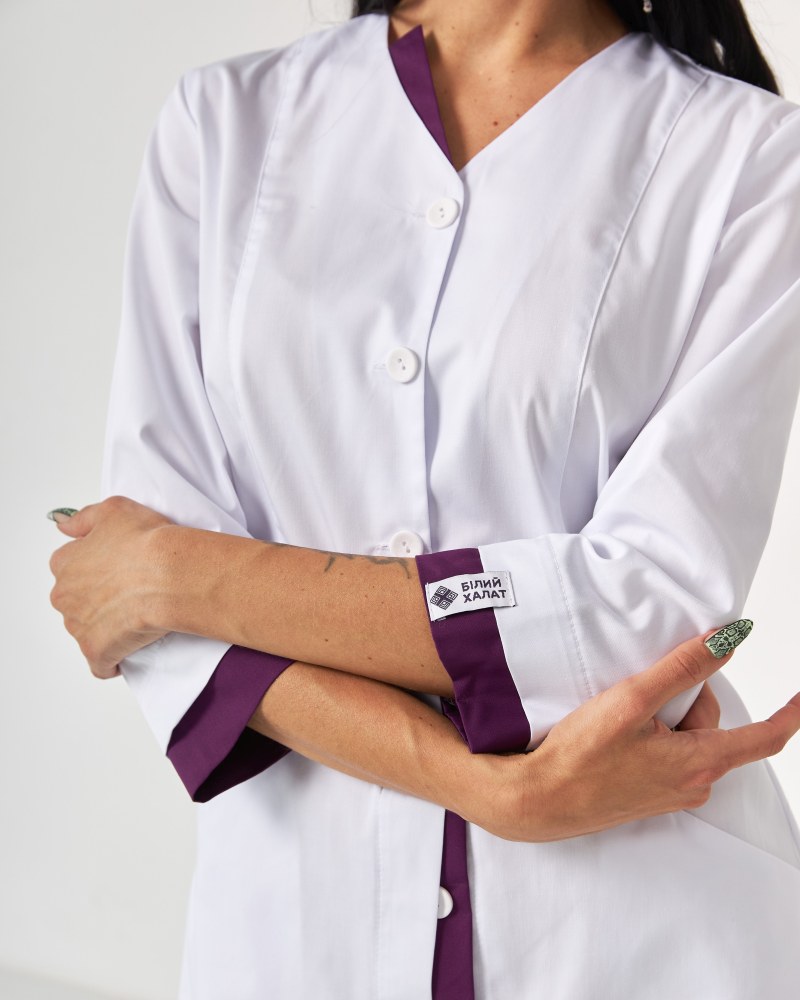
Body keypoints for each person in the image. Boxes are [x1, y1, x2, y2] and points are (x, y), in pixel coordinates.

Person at [48, 0, 800, 996]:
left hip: (639, 931)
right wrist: (481, 787)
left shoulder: (754, 159)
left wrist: (180, 575)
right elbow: (153, 623)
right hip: (295, 931)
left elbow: (647, 611)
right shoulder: (226, 122)